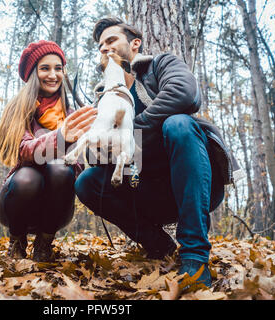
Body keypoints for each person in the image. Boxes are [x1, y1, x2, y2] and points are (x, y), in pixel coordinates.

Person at [74, 18, 243, 287]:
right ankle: (158, 244)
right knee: (86, 181)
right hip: (144, 191)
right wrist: (100, 142)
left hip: (196, 184)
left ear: (135, 43)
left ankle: (194, 257)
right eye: (100, 45)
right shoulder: (103, 99)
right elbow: (97, 160)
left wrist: (130, 132)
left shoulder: (160, 65)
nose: (105, 48)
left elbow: (185, 94)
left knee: (179, 124)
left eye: (111, 40)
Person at [0, 40, 97, 262]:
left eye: (58, 68)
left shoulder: (71, 114)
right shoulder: (18, 107)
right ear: (33, 73)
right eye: (45, 68)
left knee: (61, 169)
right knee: (28, 177)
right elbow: (23, 150)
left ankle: (44, 244)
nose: (53, 75)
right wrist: (60, 137)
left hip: (56, 208)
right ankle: (17, 241)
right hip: (16, 200)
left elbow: (78, 166)